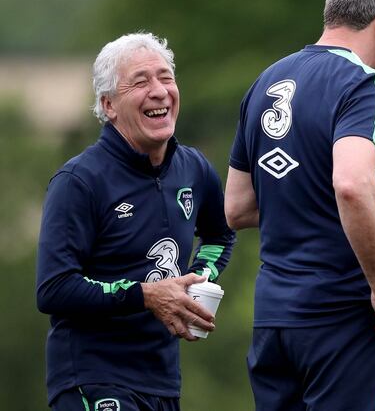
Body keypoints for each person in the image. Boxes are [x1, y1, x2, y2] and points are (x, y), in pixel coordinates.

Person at [224, 0, 375, 409]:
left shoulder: (266, 81)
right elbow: (348, 183)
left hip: (274, 324)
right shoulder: (365, 82)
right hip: (344, 322)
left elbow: (237, 207)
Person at [36, 32, 236, 411]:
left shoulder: (193, 168)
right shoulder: (79, 181)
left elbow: (219, 233)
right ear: (108, 105)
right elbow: (54, 288)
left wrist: (198, 280)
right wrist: (146, 295)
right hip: (92, 379)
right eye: (141, 82)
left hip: (163, 381)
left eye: (166, 78)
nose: (159, 91)